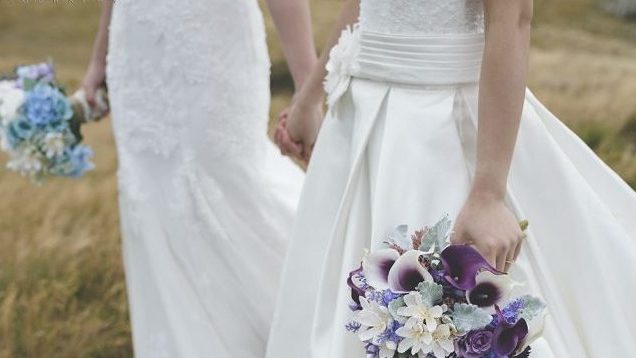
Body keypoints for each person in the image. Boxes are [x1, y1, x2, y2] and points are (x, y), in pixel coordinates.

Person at [269, 0, 636, 356]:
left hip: (444, 126)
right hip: (358, 119)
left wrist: (489, 194)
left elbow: (512, 20)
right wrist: (309, 96)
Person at [82, 0, 315, 356]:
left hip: (209, 45)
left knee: (229, 181)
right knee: (150, 196)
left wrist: (307, 92)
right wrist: (100, 57)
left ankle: (333, 314)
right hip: (136, 48)